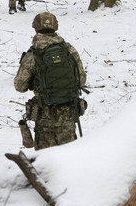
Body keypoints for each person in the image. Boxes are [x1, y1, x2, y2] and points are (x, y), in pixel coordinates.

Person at [14, 12, 87, 149]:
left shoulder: (33, 54)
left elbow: (19, 86)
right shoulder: (69, 50)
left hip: (45, 117)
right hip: (69, 114)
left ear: (35, 28)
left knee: (46, 163)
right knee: (70, 156)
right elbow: (81, 79)